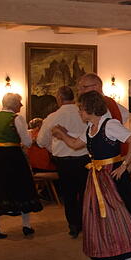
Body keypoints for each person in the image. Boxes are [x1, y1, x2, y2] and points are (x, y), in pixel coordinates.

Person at [52, 91, 131, 260]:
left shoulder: (110, 125)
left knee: (119, 219)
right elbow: (74, 144)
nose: (79, 112)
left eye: (81, 108)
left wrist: (124, 165)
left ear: (89, 108)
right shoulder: (91, 127)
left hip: (112, 177)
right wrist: (62, 134)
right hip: (97, 177)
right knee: (100, 220)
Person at [0, 93, 42, 239]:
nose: (21, 106)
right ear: (14, 104)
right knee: (23, 187)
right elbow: (27, 142)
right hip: (13, 156)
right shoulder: (17, 118)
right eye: (20, 103)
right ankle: (26, 225)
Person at [37, 85, 89, 238]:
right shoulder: (83, 113)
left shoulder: (52, 117)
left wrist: (52, 149)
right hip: (84, 158)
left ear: (59, 98)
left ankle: (73, 225)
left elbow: (41, 141)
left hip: (63, 161)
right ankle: (86, 224)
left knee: (69, 194)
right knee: (85, 193)